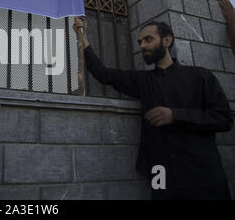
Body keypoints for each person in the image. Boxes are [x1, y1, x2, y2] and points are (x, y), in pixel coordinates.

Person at [73, 16, 233, 200]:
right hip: (161, 175)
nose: (142, 46)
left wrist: (176, 116)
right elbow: (102, 73)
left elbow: (223, 119)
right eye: (140, 42)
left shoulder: (200, 76)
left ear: (167, 40)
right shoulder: (142, 81)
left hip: (203, 176)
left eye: (148, 39)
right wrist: (82, 35)